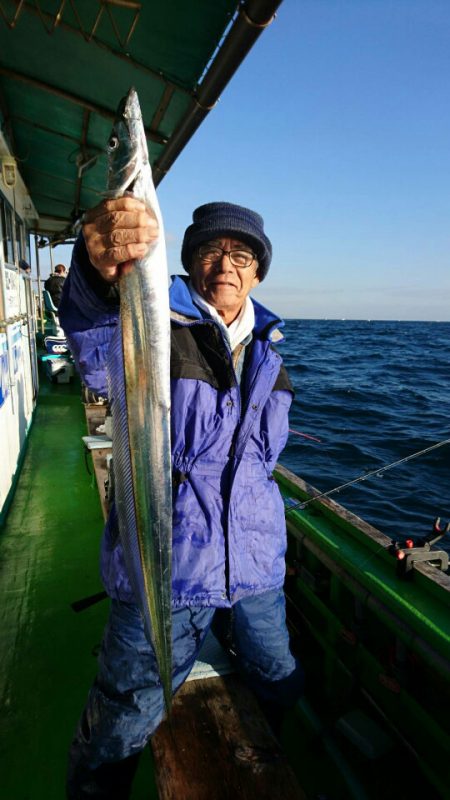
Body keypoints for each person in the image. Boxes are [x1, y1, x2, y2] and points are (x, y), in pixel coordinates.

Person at [59, 198, 304, 800]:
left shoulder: (270, 353)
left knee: (279, 681)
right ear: (190, 261)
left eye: (242, 255)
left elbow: (262, 463)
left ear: (258, 272)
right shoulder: (150, 323)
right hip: (165, 568)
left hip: (255, 569)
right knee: (122, 718)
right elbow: (93, 344)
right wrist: (93, 275)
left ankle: (260, 765)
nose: (227, 264)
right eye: (211, 251)